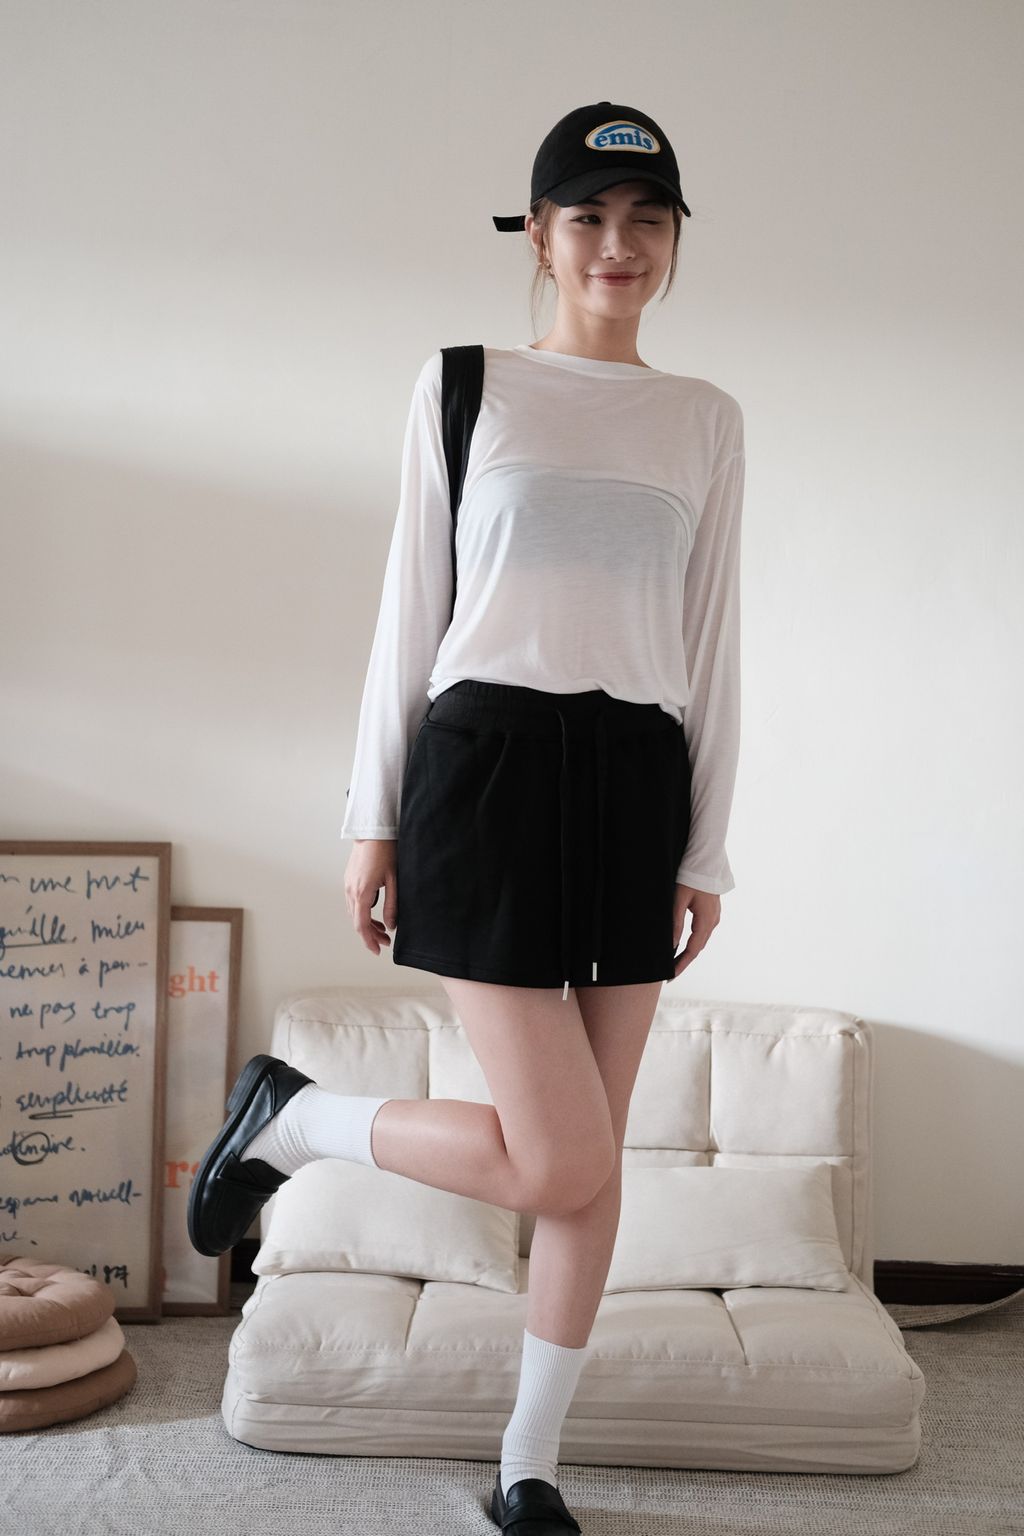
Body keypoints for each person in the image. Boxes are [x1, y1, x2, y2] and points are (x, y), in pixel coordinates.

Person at [188, 101, 745, 1536]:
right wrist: (369, 818)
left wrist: (705, 845)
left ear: (674, 239)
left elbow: (712, 640)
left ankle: (528, 1465)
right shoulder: (465, 386)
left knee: (588, 1166)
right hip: (485, 769)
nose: (618, 245)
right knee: (564, 1156)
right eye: (588, 218)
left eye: (646, 220)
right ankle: (298, 1119)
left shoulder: (704, 419)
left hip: (636, 780)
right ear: (540, 235)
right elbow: (410, 613)